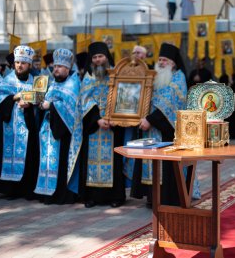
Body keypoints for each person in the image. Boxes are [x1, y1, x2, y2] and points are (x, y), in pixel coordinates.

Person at [130, 43, 193, 206]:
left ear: (172, 63)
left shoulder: (178, 77)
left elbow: (168, 103)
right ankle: (153, 198)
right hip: (151, 128)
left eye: (164, 60)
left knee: (167, 166)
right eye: (159, 59)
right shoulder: (155, 77)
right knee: (151, 162)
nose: (161, 63)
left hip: (168, 130)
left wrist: (150, 120)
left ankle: (167, 198)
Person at [79, 41, 126, 208]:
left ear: (107, 57)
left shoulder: (116, 75)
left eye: (101, 56)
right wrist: (97, 119)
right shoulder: (88, 77)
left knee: (114, 160)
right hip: (95, 127)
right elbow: (84, 101)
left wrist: (115, 118)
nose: (98, 60)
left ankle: (116, 196)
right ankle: (92, 197)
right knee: (92, 159)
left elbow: (124, 97)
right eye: (95, 57)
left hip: (113, 126)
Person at [34, 48, 82, 204]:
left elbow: (72, 107)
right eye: (55, 67)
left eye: (59, 67)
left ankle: (61, 195)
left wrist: (52, 106)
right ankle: (47, 193)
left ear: (67, 69)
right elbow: (47, 101)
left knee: (61, 163)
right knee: (47, 162)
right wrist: (42, 105)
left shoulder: (73, 84)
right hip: (48, 131)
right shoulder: (53, 83)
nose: (56, 69)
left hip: (63, 133)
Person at [0, 45, 39, 199]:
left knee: (29, 155)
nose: (19, 66)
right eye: (17, 62)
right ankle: (10, 189)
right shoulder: (8, 80)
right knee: (8, 154)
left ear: (29, 65)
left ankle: (26, 189)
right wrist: (13, 97)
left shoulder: (36, 82)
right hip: (9, 127)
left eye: (23, 63)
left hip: (28, 126)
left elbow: (42, 102)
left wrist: (30, 104)